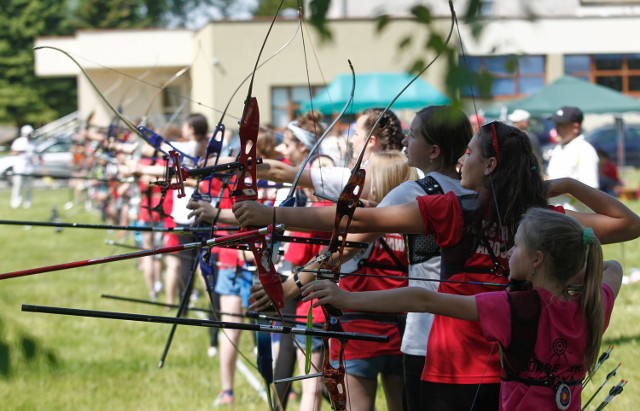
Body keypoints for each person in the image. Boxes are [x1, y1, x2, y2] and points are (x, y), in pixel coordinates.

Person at [233, 121, 640, 411]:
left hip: (461, 376)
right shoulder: (541, 218)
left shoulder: (494, 215)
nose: (463, 158)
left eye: (473, 152)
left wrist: (274, 217)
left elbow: (361, 220)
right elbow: (627, 226)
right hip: (502, 378)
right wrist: (565, 187)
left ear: (491, 165)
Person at [250, 105, 474, 411]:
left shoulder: (418, 192)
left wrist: (272, 217)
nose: (406, 140)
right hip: (471, 334)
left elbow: (352, 227)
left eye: (415, 134)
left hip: (426, 336)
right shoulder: (477, 193)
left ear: (434, 150)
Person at [301, 207, 622, 411]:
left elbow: (424, 300)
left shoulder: (513, 307)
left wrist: (347, 299)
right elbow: (614, 267)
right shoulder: (593, 305)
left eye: (518, 246)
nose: (510, 251)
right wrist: (571, 276)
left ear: (538, 259)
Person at [546, 106, 600, 211]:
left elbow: (591, 194)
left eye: (561, 125)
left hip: (578, 222)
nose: (556, 129)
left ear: (575, 127)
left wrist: (553, 185)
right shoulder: (559, 148)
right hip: (559, 218)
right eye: (555, 124)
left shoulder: (585, 150)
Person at [10, 125, 38, 209]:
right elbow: (13, 152)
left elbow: (36, 154)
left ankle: (27, 202)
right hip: (19, 166)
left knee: (28, 186)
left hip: (29, 167)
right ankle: (15, 201)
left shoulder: (34, 143)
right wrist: (21, 151)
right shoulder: (18, 141)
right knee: (17, 185)